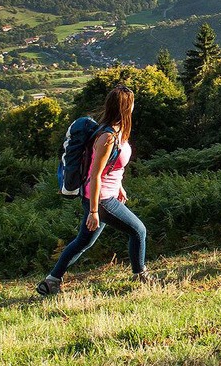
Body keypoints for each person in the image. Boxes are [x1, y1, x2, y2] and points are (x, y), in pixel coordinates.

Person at [37, 85, 147, 295]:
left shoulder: (117, 131)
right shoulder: (107, 137)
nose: (134, 107)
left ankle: (51, 281)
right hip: (101, 199)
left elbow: (111, 167)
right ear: (125, 107)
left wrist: (120, 186)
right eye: (131, 104)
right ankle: (140, 274)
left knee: (83, 242)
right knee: (138, 231)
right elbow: (95, 174)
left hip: (106, 195)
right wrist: (94, 211)